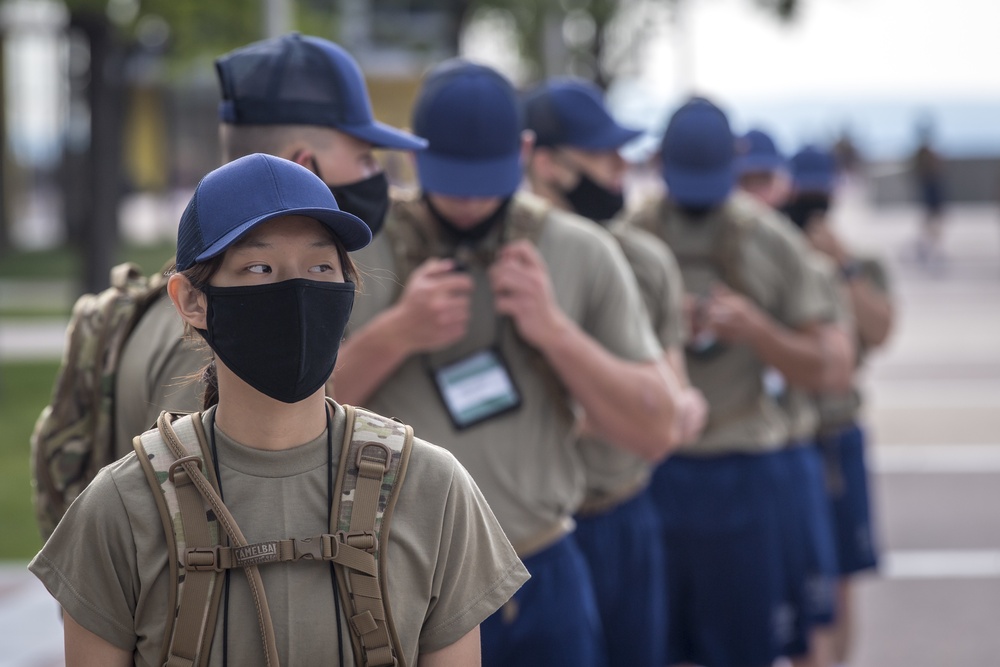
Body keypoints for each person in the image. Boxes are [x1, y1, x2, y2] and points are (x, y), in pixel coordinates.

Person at [30, 153, 529, 666]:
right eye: (259, 268)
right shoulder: (120, 506)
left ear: (347, 288)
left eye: (320, 267)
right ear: (191, 300)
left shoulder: (432, 488)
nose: (296, 291)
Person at [334, 60, 680, 667]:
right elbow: (289, 413)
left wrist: (556, 334)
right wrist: (395, 334)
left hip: (540, 572)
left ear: (524, 152)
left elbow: (656, 430)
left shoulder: (578, 250)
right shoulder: (359, 248)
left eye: (485, 181)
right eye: (451, 180)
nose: (468, 202)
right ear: (411, 156)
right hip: (396, 584)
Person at [113, 32, 427, 458]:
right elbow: (212, 493)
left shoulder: (213, 280)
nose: (377, 176)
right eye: (366, 157)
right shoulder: (218, 333)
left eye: (320, 267)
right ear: (303, 164)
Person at [622, 98, 850, 667]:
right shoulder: (629, 239)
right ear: (656, 166)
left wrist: (758, 330)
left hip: (746, 475)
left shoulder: (770, 240)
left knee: (750, 647)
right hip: (654, 470)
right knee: (656, 647)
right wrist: (660, 325)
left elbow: (831, 366)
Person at [522, 77, 706, 667]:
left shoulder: (644, 260)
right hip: (525, 534)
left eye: (623, 153)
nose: (620, 168)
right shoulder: (499, 254)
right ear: (545, 163)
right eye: (602, 155)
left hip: (621, 515)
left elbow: (676, 410)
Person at [738, 133, 856, 667]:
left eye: (765, 180)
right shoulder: (724, 254)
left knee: (819, 604)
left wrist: (841, 266)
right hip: (738, 456)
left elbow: (845, 358)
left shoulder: (810, 262)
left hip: (807, 443)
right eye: (745, 181)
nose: (756, 195)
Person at [787, 145, 895, 667]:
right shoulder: (776, 258)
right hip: (792, 434)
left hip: (838, 428)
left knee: (843, 580)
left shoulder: (859, 263)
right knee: (804, 584)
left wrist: (844, 268)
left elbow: (882, 329)